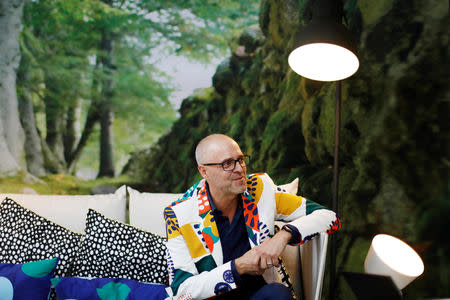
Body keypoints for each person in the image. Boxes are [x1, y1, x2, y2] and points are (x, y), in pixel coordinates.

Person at [164, 134, 340, 299]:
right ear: (204, 171)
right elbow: (182, 291)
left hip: (259, 294)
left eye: (240, 160)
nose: (239, 169)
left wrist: (283, 236)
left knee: (278, 293)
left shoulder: (260, 189)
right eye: (227, 163)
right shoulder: (179, 214)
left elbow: (329, 217)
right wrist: (237, 267)